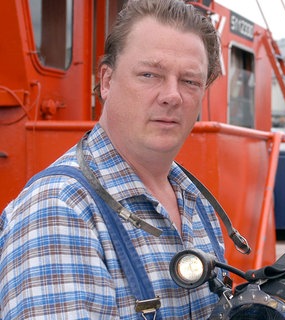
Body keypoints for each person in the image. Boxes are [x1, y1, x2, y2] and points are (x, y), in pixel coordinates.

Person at [0, 0, 224, 318]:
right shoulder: (60, 209)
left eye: (190, 81)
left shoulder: (195, 201)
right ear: (106, 81)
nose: (172, 95)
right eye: (150, 74)